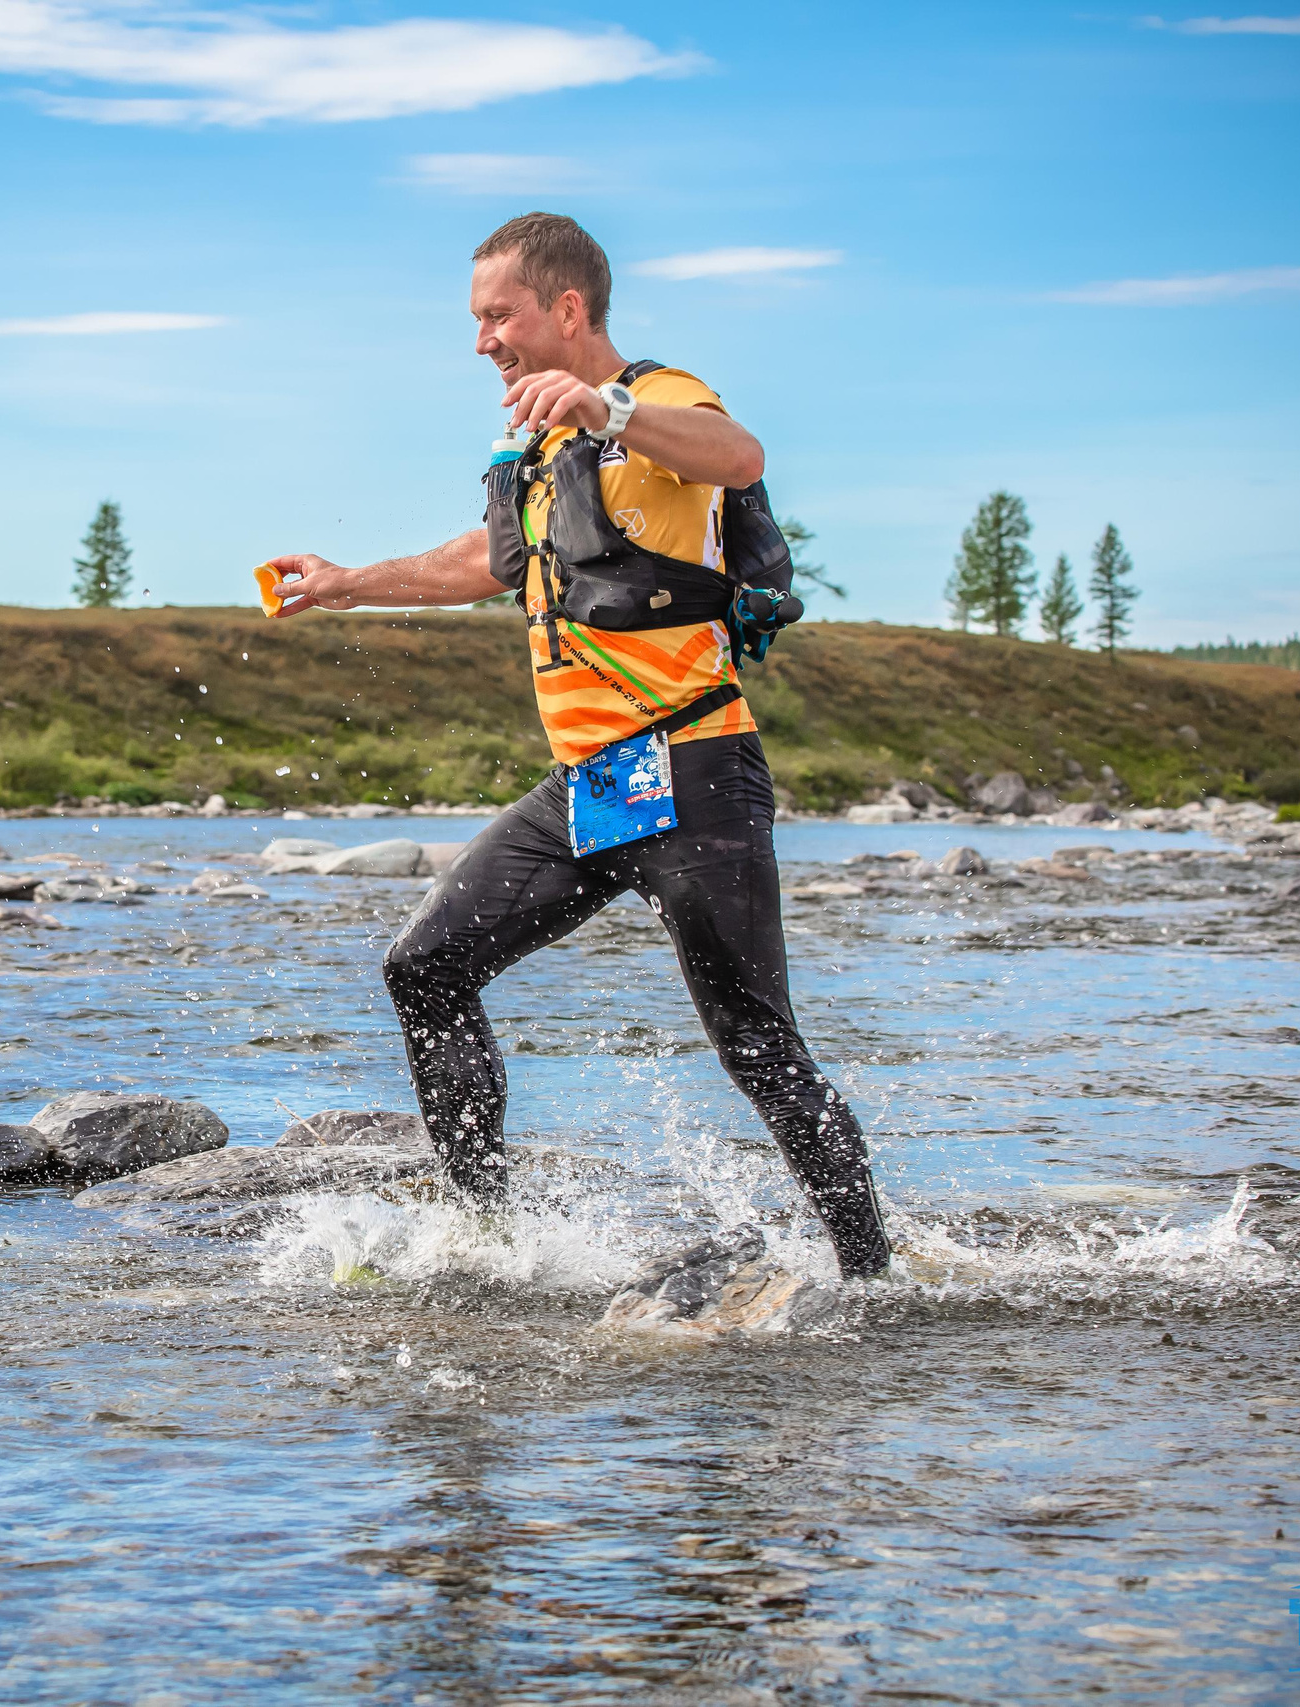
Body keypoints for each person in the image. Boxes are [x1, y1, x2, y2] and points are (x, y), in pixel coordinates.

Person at [264, 212, 892, 1281]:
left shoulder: (661, 398)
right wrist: (346, 583)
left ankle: (874, 1281)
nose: (482, 341)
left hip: (694, 770)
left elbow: (739, 456)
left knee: (756, 1046)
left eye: (497, 316)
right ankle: (490, 1241)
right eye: (476, 322)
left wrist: (613, 408)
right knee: (425, 969)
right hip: (595, 787)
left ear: (566, 308)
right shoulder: (542, 444)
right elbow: (487, 561)